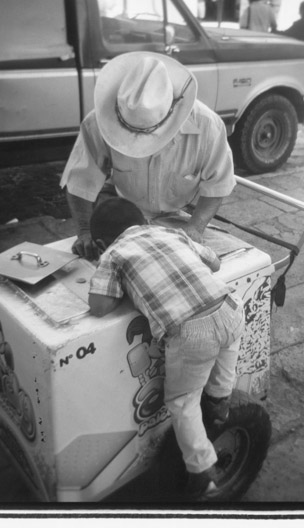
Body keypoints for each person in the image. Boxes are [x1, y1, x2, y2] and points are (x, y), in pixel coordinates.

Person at [88, 197, 245, 499]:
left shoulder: (113, 254)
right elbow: (214, 262)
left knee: (182, 401)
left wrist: (120, 280)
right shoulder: (171, 233)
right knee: (226, 354)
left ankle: (202, 473)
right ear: (144, 223)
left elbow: (99, 306)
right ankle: (220, 400)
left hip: (190, 332)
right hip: (229, 308)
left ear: (98, 242)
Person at [60, 52, 236, 260]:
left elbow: (218, 184)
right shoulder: (97, 123)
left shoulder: (208, 125)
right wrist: (84, 231)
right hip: (126, 216)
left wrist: (195, 227)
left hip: (178, 217)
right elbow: (80, 180)